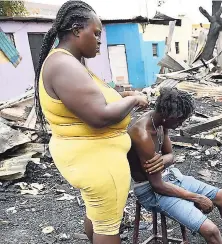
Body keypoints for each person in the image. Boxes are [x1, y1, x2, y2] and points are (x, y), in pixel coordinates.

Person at [34, 1, 148, 243]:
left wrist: (121, 96)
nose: (99, 40)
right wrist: (135, 99)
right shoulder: (64, 65)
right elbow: (100, 116)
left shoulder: (69, 63)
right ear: (76, 30)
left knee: (97, 215)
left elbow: (92, 100)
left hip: (91, 160)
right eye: (95, 33)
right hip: (98, 164)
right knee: (108, 226)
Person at [128, 87, 222, 244]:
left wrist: (164, 160)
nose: (181, 124)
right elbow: (157, 186)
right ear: (168, 115)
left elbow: (171, 156)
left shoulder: (161, 123)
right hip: (151, 190)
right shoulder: (143, 135)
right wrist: (196, 198)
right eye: (180, 120)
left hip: (169, 177)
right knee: (211, 231)